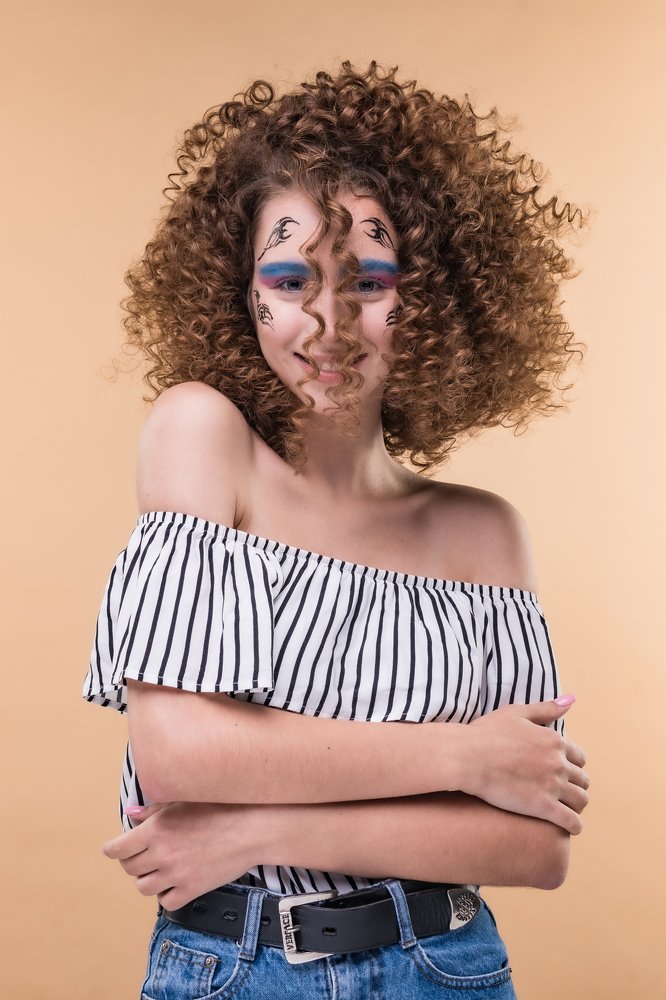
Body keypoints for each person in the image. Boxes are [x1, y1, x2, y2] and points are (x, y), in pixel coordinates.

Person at [83, 61, 589, 999]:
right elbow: (180, 757)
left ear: (433, 296)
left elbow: (533, 844)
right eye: (289, 278)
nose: (328, 322)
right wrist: (464, 756)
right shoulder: (203, 437)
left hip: (449, 967)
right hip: (239, 970)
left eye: (367, 280)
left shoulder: (484, 532)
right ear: (239, 291)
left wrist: (261, 828)